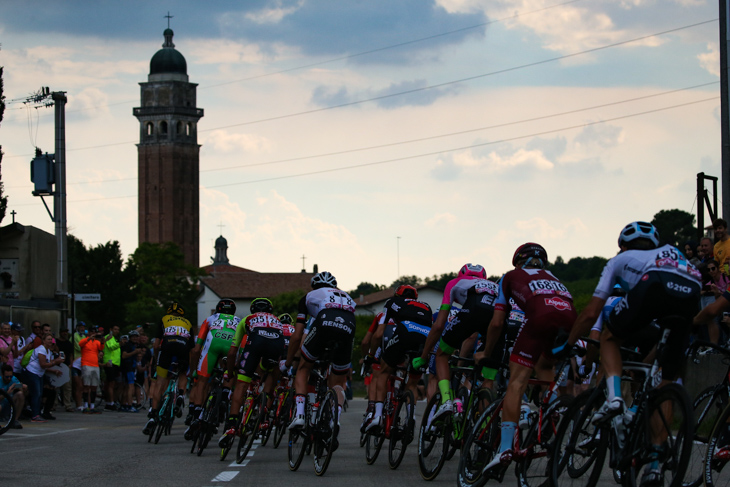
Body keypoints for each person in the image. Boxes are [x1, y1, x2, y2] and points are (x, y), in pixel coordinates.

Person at [564, 221, 701, 487]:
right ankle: (653, 466)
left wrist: (567, 343)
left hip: (656, 285)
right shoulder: (671, 251)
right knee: (666, 383)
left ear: (623, 245)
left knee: (609, 336)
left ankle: (615, 397)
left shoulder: (621, 258)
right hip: (691, 288)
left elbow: (592, 312)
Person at [480, 243, 577, 473]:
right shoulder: (553, 277)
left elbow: (496, 322)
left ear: (517, 261)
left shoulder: (510, 276)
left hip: (539, 319)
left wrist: (486, 352)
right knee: (545, 367)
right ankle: (548, 421)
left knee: (517, 381)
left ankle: (504, 449)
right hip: (570, 319)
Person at [415, 263, 499, 419]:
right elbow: (474, 336)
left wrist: (423, 356)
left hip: (472, 311)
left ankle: (447, 400)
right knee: (487, 377)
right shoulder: (495, 286)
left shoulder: (455, 283)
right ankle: (485, 425)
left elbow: (439, 325)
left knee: (441, 355)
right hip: (497, 319)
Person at [285, 271, 356, 437]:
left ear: (313, 286)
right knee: (339, 380)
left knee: (304, 368)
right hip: (348, 326)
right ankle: (335, 419)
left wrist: (288, 362)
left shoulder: (308, 296)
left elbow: (297, 335)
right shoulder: (346, 296)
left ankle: (300, 415)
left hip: (325, 322)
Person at [366, 285, 432, 432]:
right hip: (425, 339)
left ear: (397, 295)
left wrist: (371, 356)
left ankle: (377, 416)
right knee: (413, 383)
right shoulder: (426, 306)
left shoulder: (391, 303)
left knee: (383, 372)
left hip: (404, 333)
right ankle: (411, 417)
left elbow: (378, 334)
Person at [219, 298, 283, 447]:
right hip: (277, 346)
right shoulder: (277, 320)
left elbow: (233, 351)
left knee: (241, 384)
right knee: (271, 377)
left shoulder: (248, 319)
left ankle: (232, 425)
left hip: (256, 344)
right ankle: (264, 413)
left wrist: (229, 372)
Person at [186, 298, 240, 431]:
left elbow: (197, 349)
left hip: (213, 345)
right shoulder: (239, 321)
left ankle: (197, 415)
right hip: (230, 345)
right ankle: (225, 396)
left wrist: (193, 370)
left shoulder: (210, 319)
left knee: (202, 382)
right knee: (230, 375)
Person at [143, 302, 194, 435]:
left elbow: (155, 345)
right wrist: (190, 367)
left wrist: (155, 360)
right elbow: (192, 348)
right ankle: (181, 395)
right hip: (183, 347)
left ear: (169, 312)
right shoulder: (187, 323)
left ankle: (153, 415)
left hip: (167, 347)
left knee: (159, 382)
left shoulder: (164, 319)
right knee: (182, 373)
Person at [24, 333, 64, 422]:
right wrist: (55, 362)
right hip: (33, 372)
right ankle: (35, 415)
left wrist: (57, 362)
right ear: (43, 341)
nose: (50, 341)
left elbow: (48, 363)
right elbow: (43, 364)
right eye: (48, 339)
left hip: (39, 374)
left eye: (51, 340)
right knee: (36, 394)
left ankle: (37, 413)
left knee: (40, 394)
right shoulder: (41, 349)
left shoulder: (48, 351)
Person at [78, 327, 107, 413]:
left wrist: (102, 341)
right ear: (89, 332)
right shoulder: (85, 340)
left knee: (94, 386)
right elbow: (80, 344)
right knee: (86, 385)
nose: (94, 333)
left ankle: (92, 406)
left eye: (95, 332)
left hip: (95, 365)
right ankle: (86, 405)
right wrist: (89, 338)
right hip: (86, 364)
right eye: (92, 332)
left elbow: (101, 348)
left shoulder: (96, 342)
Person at [101, 325, 121, 411]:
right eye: (115, 329)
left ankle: (111, 401)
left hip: (116, 363)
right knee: (111, 383)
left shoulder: (115, 339)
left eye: (118, 329)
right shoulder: (108, 337)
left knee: (114, 383)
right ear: (111, 329)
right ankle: (110, 403)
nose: (117, 331)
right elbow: (111, 347)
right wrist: (119, 344)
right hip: (109, 362)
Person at [120, 330, 140, 412]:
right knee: (130, 386)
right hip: (128, 367)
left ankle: (124, 404)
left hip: (131, 367)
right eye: (133, 337)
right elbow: (124, 356)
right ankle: (129, 404)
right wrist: (134, 352)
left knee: (127, 387)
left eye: (136, 336)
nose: (135, 338)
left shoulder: (134, 345)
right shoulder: (128, 345)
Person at [56, 328, 75, 412]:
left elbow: (71, 354)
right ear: (60, 333)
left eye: (66, 332)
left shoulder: (69, 343)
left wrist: (71, 364)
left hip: (66, 366)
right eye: (63, 332)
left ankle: (68, 405)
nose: (65, 333)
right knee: (56, 386)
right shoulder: (56, 342)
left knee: (67, 387)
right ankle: (54, 404)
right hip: (57, 365)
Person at [0, 363, 25, 429]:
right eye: (7, 377)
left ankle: (14, 420)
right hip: (1, 404)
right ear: (2, 375)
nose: (9, 379)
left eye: (10, 376)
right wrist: (7, 393)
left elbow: (22, 387)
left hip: (10, 403)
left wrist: (21, 387)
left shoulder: (13, 379)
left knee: (20, 395)